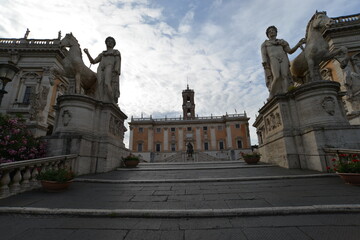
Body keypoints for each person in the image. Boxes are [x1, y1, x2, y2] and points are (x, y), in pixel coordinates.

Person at [261, 26, 305, 98]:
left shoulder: (282, 42)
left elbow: (290, 51)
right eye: (270, 31)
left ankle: (286, 92)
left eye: (273, 30)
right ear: (267, 34)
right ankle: (271, 94)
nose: (272, 32)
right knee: (277, 76)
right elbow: (264, 56)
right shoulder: (265, 44)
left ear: (276, 32)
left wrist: (298, 44)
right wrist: (266, 66)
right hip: (273, 59)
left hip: (283, 58)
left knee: (285, 75)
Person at [84, 36, 121, 103]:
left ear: (113, 44)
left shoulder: (116, 52)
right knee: (99, 84)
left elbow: (118, 62)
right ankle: (99, 100)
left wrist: (116, 70)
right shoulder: (103, 53)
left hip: (110, 66)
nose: (109, 43)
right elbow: (93, 61)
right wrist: (87, 53)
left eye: (111, 42)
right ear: (106, 43)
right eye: (108, 41)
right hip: (100, 67)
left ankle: (112, 101)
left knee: (107, 83)